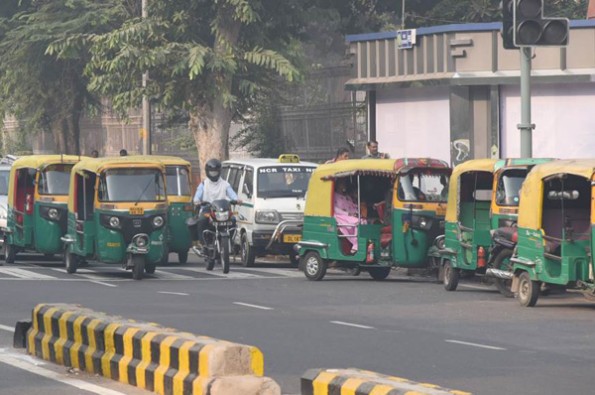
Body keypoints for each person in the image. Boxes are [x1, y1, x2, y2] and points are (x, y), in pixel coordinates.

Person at [191, 159, 241, 248]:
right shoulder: (203, 184)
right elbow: (197, 197)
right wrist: (197, 201)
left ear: (219, 172)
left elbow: (232, 194)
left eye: (215, 172)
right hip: (208, 209)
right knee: (201, 220)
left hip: (223, 209)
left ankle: (231, 241)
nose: (213, 174)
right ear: (207, 172)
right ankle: (203, 243)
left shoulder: (225, 184)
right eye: (211, 172)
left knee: (233, 220)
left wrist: (237, 200)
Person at [334, 179, 365, 254]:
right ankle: (355, 244)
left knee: (364, 221)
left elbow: (352, 206)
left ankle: (361, 243)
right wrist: (348, 214)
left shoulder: (347, 196)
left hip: (350, 216)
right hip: (340, 216)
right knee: (357, 222)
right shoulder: (334, 195)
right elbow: (335, 208)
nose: (344, 185)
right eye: (342, 183)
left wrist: (356, 213)